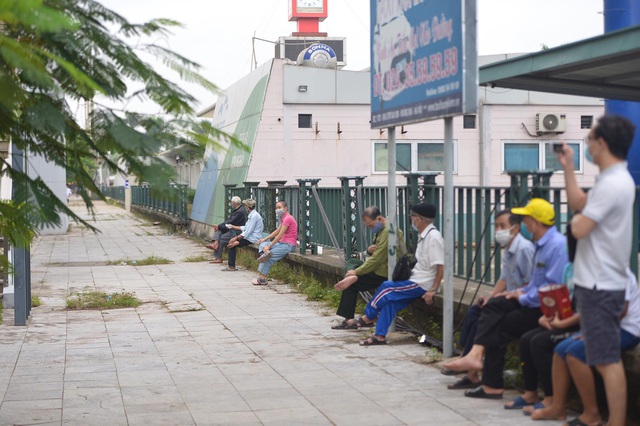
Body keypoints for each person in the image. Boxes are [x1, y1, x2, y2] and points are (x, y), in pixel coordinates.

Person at [443, 198, 568, 400]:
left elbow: (552, 288)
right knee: (492, 312)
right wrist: (513, 293)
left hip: (542, 307)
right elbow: (533, 283)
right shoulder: (540, 245)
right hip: (531, 300)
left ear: (535, 222)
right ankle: (481, 371)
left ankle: (483, 372)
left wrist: (522, 295)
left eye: (526, 220)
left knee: (497, 321)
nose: (525, 224)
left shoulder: (554, 246)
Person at [556, 114, 636, 426]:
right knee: (604, 358)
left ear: (601, 143)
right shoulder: (612, 179)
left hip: (601, 285)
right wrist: (568, 167)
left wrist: (577, 221)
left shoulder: (613, 184)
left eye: (589, 139)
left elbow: (579, 226)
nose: (587, 144)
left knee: (606, 360)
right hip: (599, 282)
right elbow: (579, 202)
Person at [530, 269, 640, 425]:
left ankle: (592, 414)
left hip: (625, 330)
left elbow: (620, 310)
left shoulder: (618, 273)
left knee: (575, 353)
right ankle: (558, 407)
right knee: (560, 350)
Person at [446, 210, 535, 390]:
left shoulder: (524, 248)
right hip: (507, 299)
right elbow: (503, 278)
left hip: (521, 299)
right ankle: (468, 359)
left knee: (492, 319)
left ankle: (474, 364)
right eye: (496, 226)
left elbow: (530, 282)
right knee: (474, 311)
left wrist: (504, 297)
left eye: (503, 226)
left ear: (515, 228)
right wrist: (491, 296)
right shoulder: (509, 248)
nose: (498, 230)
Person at [343, 203, 444, 346]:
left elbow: (441, 266)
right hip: (415, 279)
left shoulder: (433, 237)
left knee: (387, 287)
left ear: (419, 219)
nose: (411, 220)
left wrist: (433, 289)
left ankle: (367, 317)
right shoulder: (424, 236)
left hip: (421, 283)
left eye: (413, 217)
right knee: (390, 303)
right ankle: (379, 336)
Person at [331, 206, 403, 330]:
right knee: (353, 261)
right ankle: (351, 276)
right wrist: (369, 251)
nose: (371, 229)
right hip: (380, 266)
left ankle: (349, 320)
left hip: (386, 271)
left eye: (371, 226)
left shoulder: (388, 232)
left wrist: (357, 271)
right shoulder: (382, 230)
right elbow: (377, 253)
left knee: (351, 285)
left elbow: (377, 260)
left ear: (379, 218)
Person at [252, 200, 297, 286]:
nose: (277, 209)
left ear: (285, 208)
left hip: (288, 245)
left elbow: (280, 235)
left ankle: (262, 279)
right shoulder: (283, 218)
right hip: (282, 243)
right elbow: (277, 231)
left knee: (269, 256)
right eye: (276, 208)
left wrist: (269, 245)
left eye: (279, 207)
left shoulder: (288, 218)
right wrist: (265, 239)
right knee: (262, 245)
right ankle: (264, 253)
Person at [223, 199, 263, 271]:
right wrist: (233, 226)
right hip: (249, 236)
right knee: (232, 240)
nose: (244, 207)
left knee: (232, 244)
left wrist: (236, 238)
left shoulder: (254, 216)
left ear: (247, 206)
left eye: (245, 205)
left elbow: (248, 231)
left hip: (253, 237)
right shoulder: (252, 215)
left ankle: (231, 266)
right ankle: (231, 266)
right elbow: (245, 227)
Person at [206, 196, 246, 264]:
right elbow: (229, 221)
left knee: (221, 239)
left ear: (233, 203)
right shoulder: (239, 210)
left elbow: (230, 221)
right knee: (219, 230)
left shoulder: (239, 212)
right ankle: (215, 244)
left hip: (236, 231)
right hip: (231, 228)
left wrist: (219, 226)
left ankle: (218, 255)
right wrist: (219, 226)